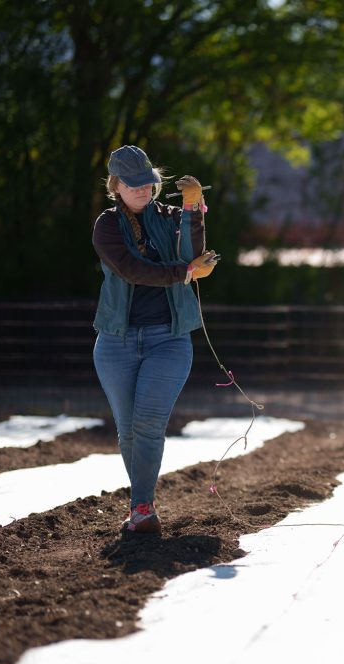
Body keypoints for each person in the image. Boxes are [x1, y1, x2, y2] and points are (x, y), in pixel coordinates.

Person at [92, 144, 219, 533]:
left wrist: (194, 211)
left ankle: (141, 509)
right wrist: (183, 273)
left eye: (148, 184)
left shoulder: (168, 216)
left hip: (169, 339)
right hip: (116, 341)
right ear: (116, 186)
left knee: (147, 424)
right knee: (127, 428)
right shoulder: (107, 226)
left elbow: (190, 254)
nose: (143, 191)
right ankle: (141, 504)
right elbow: (132, 270)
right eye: (134, 186)